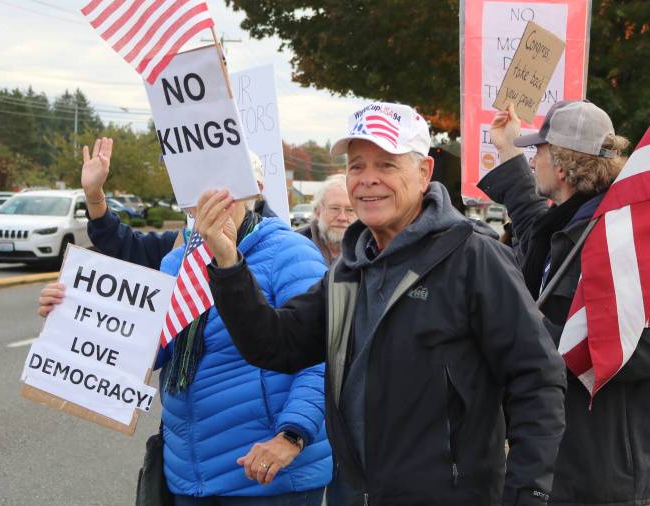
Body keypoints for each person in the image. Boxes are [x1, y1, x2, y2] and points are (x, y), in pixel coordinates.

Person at [195, 101, 567, 506]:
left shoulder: (472, 258)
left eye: (386, 165)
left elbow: (537, 381)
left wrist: (527, 494)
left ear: (424, 173)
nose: (367, 180)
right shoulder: (347, 271)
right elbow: (274, 344)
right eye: (357, 166)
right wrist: (228, 262)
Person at [38, 138, 332, 505]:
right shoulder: (176, 263)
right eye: (195, 186)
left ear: (249, 189)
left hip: (266, 475)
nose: (208, 197)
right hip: (190, 475)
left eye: (220, 185)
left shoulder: (289, 253)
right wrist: (70, 312)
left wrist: (291, 436)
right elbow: (145, 349)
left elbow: (319, 356)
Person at [479, 101, 650, 506]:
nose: (533, 161)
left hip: (601, 479)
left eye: (539, 152)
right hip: (560, 465)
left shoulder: (619, 235)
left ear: (563, 167)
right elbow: (534, 222)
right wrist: (507, 149)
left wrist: (537, 336)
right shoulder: (571, 224)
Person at [296, 174, 355, 266]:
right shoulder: (294, 249)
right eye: (334, 208)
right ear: (318, 212)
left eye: (350, 210)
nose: (342, 218)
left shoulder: (372, 252)